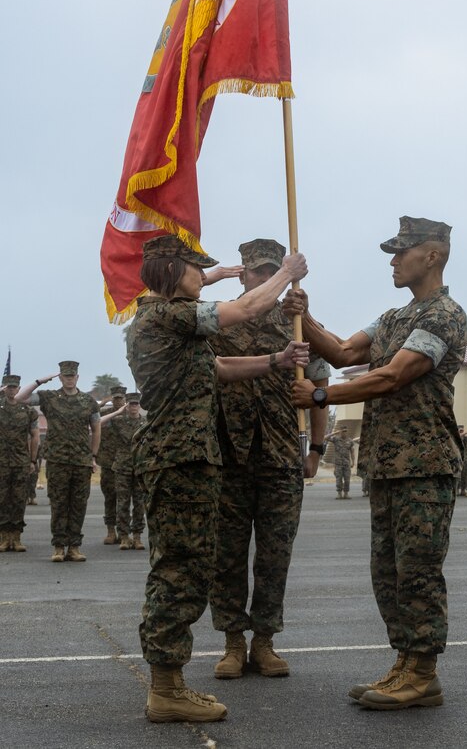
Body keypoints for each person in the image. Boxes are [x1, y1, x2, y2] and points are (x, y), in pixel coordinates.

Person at [286, 215, 467, 710]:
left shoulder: (444, 315)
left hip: (424, 464)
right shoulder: (391, 318)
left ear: (431, 255)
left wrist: (320, 394)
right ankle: (406, 664)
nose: (392, 260)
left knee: (418, 572)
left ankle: (424, 673)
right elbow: (344, 351)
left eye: (401, 251)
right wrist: (307, 314)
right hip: (387, 464)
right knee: (386, 572)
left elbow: (392, 376)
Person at [126, 234, 309, 724]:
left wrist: (276, 361)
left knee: (184, 570)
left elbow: (221, 366)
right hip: (180, 459)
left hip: (189, 459)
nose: (201, 275)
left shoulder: (171, 321)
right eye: (194, 268)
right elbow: (245, 311)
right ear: (172, 270)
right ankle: (166, 689)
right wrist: (287, 273)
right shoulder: (167, 314)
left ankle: (170, 684)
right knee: (179, 573)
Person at [207, 238, 330, 681]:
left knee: (275, 556)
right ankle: (232, 641)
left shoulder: (296, 324)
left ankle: (264, 640)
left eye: (272, 270)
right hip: (228, 457)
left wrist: (316, 450)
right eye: (257, 271)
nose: (263, 278)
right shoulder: (220, 320)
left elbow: (319, 392)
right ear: (242, 273)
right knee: (227, 555)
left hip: (280, 458)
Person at [15, 361, 100, 562]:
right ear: (60, 377)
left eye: (72, 376)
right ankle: (59, 547)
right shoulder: (49, 397)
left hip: (81, 460)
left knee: (79, 505)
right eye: (65, 376)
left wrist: (94, 456)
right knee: (59, 504)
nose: (69, 379)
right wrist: (38, 381)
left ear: (77, 377)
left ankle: (74, 547)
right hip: (57, 461)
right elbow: (19, 398)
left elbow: (96, 429)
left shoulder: (89, 401)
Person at [100, 392, 146, 551]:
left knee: (139, 503)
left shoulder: (146, 422)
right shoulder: (118, 422)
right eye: (131, 404)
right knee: (123, 503)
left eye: (136, 404)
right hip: (122, 467)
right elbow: (99, 422)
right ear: (127, 405)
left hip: (139, 467)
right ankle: (124, 536)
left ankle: (138, 536)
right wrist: (118, 412)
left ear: (139, 405)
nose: (133, 407)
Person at [0, 375, 40, 552]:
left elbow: (35, 436)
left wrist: (32, 460)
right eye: (8, 387)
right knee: (1, 500)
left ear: (19, 389)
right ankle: (3, 537)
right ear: (4, 388)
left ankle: (16, 537)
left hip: (21, 461)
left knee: (18, 500)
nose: (11, 390)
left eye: (14, 387)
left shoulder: (28, 410)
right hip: (1, 462)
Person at [97, 385, 127, 544]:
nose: (118, 401)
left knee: (125, 500)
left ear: (125, 399)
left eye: (121, 398)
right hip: (108, 463)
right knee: (110, 498)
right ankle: (110, 531)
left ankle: (124, 531)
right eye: (115, 398)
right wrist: (101, 404)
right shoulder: (105, 415)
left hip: (127, 465)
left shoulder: (133, 415)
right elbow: (88, 415)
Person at [325, 426, 355, 499]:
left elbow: (352, 452)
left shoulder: (350, 441)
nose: (344, 433)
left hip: (346, 463)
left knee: (347, 479)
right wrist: (335, 433)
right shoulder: (336, 439)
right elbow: (325, 438)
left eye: (345, 431)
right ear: (340, 431)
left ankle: (346, 494)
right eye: (342, 431)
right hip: (338, 463)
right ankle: (339, 493)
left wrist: (353, 462)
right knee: (339, 479)